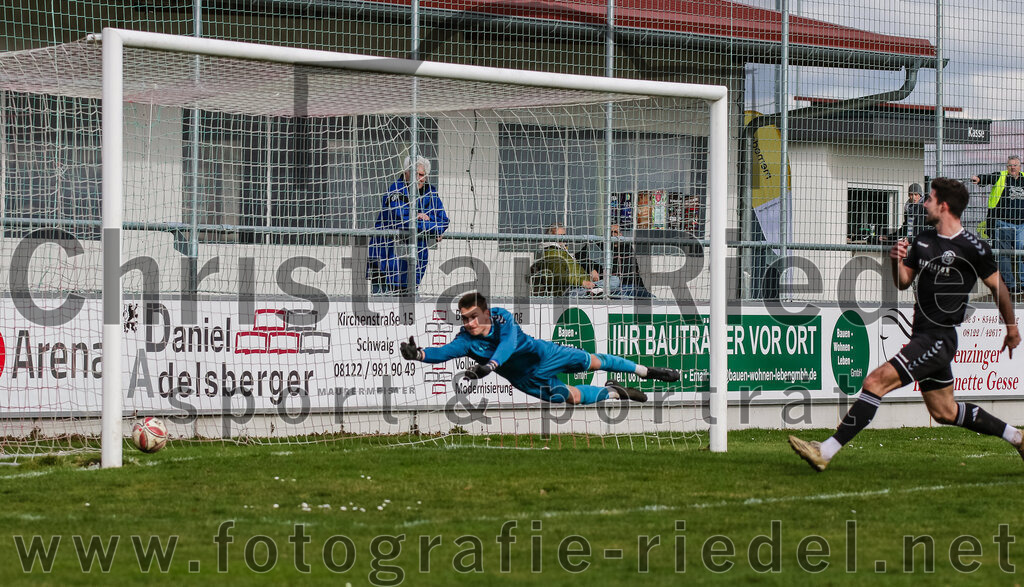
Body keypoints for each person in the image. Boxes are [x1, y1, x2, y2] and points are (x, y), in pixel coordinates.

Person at [789, 178, 1021, 472]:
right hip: (923, 334)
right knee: (945, 412)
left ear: (944, 206)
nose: (924, 203)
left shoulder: (973, 247)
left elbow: (999, 288)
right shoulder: (923, 240)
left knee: (875, 382)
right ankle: (1018, 438)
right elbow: (903, 282)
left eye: (930, 199)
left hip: (939, 338)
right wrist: (894, 260)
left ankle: (826, 450)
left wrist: (1011, 328)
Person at [399, 292, 680, 404]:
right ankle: (616, 392)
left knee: (593, 361)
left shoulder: (502, 318)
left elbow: (508, 345)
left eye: (473, 316)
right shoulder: (466, 341)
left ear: (485, 312)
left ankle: (645, 371)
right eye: (464, 318)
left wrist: (490, 366)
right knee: (570, 398)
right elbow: (444, 352)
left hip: (544, 354)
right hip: (526, 379)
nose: (470, 323)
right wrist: (420, 354)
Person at [367, 155, 449, 294]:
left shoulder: (431, 193)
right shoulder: (395, 190)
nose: (417, 178)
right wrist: (426, 224)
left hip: (412, 267)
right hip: (386, 265)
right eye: (414, 174)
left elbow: (443, 221)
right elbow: (402, 220)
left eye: (421, 175)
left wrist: (424, 224)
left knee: (408, 312)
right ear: (406, 173)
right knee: (383, 312)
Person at [972, 155, 1024, 293]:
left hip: (1022, 225)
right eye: (1010, 165)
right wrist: (979, 178)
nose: (1012, 167)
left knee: (1022, 251)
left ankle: (1023, 282)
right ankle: (1011, 286)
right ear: (1007, 167)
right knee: (1004, 254)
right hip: (1003, 223)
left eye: (1015, 165)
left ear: (1020, 166)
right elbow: (988, 178)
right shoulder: (1001, 176)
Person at [579, 224, 654, 298]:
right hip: (614, 286)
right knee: (623, 296)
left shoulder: (626, 247)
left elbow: (629, 271)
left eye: (616, 232)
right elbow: (579, 256)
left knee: (652, 298)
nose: (613, 235)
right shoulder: (598, 244)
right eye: (610, 232)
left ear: (620, 234)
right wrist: (592, 269)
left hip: (632, 285)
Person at [532, 223, 601, 296]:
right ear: (550, 237)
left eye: (564, 235)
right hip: (572, 290)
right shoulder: (551, 253)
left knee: (612, 280)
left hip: (584, 285)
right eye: (559, 235)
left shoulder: (561, 251)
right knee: (612, 282)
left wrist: (591, 271)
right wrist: (583, 283)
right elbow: (560, 275)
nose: (563, 238)